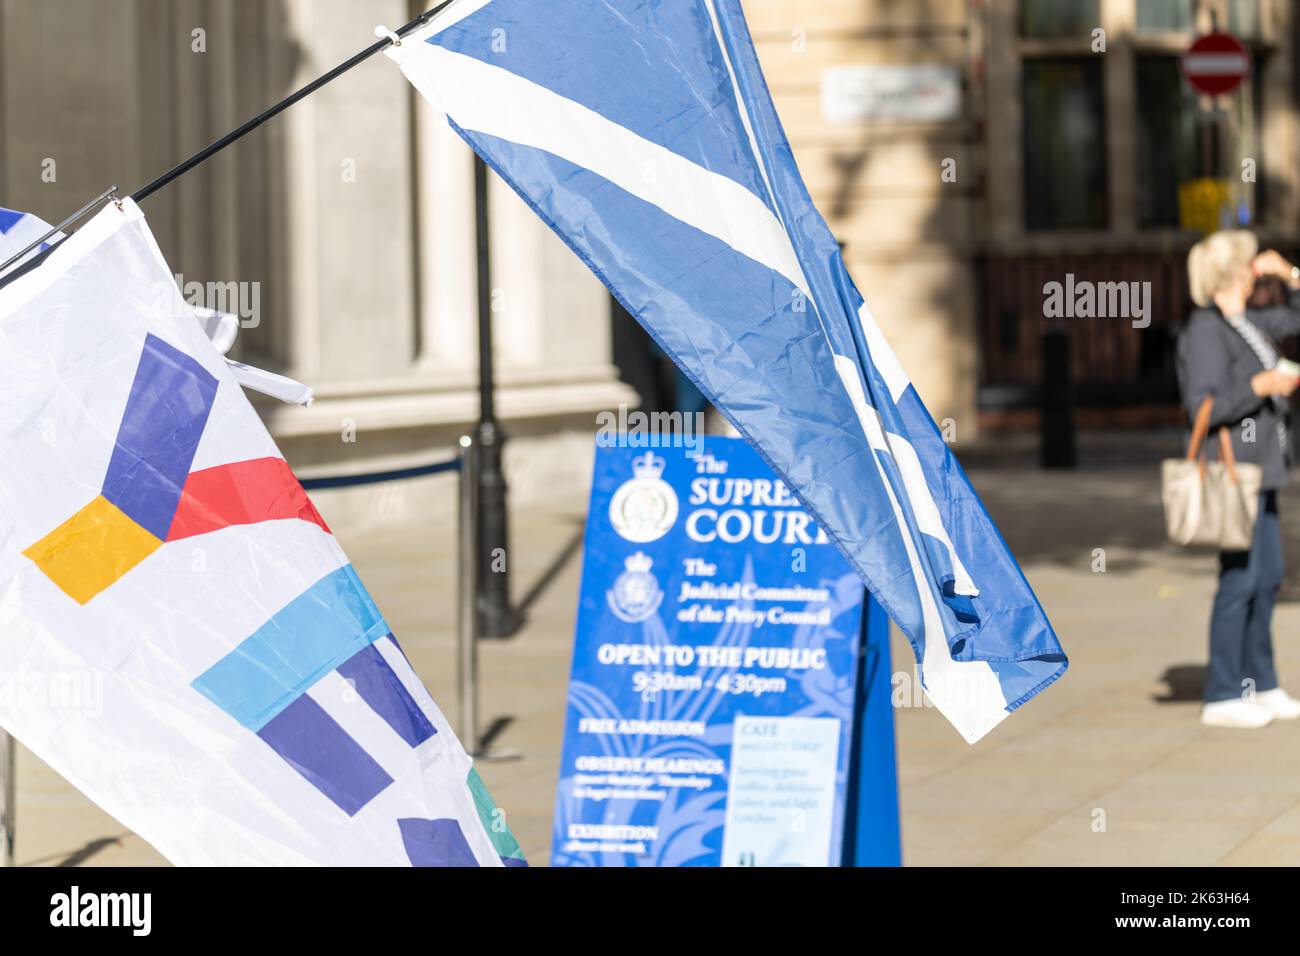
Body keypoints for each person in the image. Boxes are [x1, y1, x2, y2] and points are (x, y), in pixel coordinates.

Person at [1178, 230, 1300, 728]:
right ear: (1231, 273)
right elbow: (1202, 405)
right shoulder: (1205, 329)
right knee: (1239, 580)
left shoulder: (1244, 322)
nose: (1256, 272)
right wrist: (1262, 385)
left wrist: (1289, 273)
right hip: (1235, 474)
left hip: (1262, 472)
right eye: (1250, 264)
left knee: (1267, 579)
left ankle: (1261, 683)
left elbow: (1296, 317)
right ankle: (1223, 692)